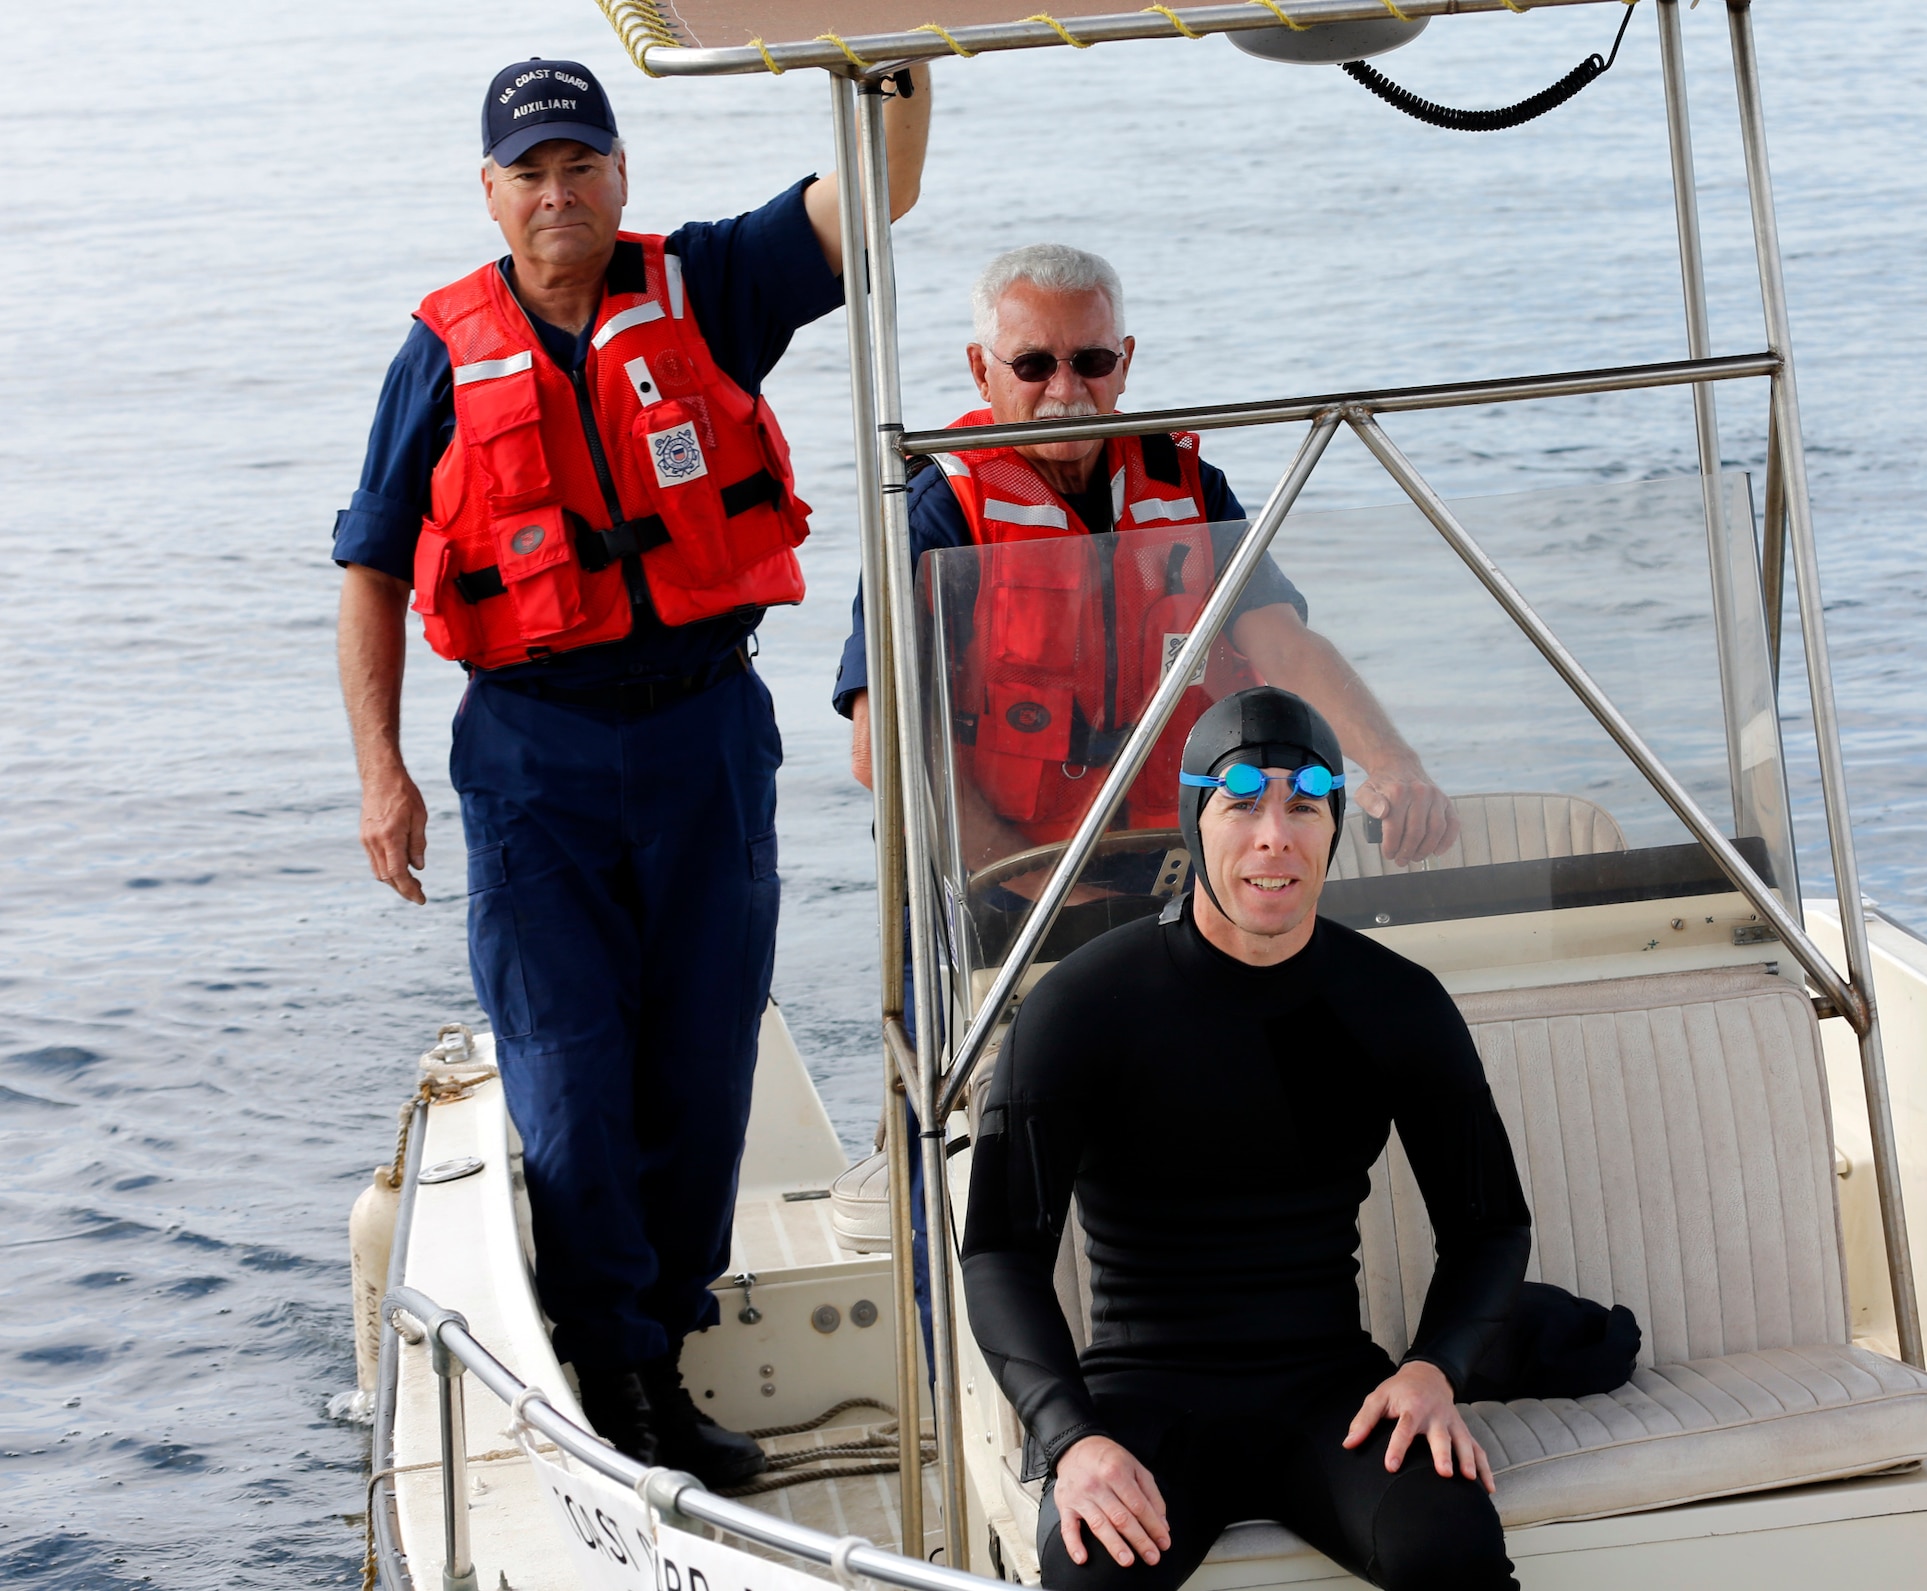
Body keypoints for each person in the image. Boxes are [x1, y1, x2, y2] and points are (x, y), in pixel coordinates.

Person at [332, 56, 931, 1484]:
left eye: (580, 164)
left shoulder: (707, 287)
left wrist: (904, 55)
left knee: (704, 1057)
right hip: (532, 752)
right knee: (573, 1068)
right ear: (491, 192)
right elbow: (368, 563)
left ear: (620, 174)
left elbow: (879, 192)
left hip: (706, 733)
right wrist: (383, 774)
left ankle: (655, 1351)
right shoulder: (441, 350)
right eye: (529, 171)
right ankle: (614, 1368)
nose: (558, 193)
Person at [961, 687, 1531, 1591]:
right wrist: (1070, 1438)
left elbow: (1489, 1226)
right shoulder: (1081, 1004)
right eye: (1243, 803)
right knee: (1090, 1574)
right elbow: (998, 1252)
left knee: (1450, 1546)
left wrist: (1434, 1368)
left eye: (1304, 806)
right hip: (1143, 1397)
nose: (1275, 836)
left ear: (1335, 825)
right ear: (1195, 820)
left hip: (1332, 1393)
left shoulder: (1394, 1002)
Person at [832, 243, 1458, 873]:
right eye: (1033, 364)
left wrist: (1394, 764)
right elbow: (879, 752)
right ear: (980, 370)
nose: (1066, 389)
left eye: (1093, 360)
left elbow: (1285, 647)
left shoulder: (1188, 486)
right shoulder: (932, 512)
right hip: (1002, 887)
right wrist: (1037, 893)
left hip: (1182, 868)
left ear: (1125, 362)